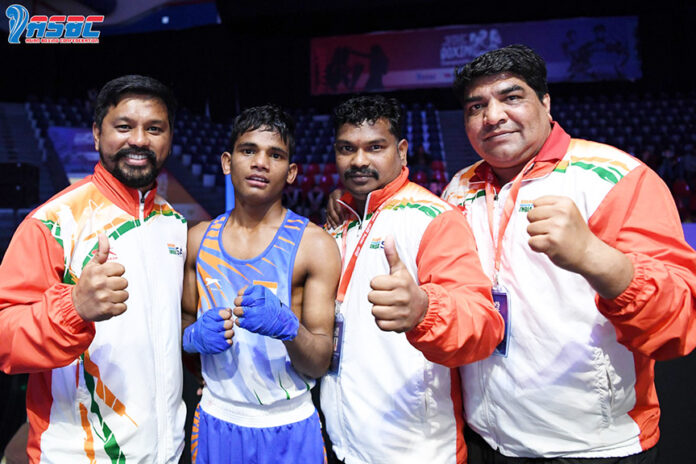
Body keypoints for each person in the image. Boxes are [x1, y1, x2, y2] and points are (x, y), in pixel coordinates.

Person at [436, 44, 696, 462]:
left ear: (546, 102)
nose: (493, 116)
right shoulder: (459, 188)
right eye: (476, 106)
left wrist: (596, 257)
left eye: (511, 97)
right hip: (489, 436)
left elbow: (679, 322)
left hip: (592, 444)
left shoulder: (616, 177)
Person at [0, 75, 187, 462]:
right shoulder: (52, 222)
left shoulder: (174, 224)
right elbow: (4, 338)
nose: (139, 140)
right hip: (77, 453)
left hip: (166, 452)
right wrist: (74, 307)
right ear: (97, 135)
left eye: (154, 128)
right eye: (124, 126)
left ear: (169, 138)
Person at [320, 95, 505, 463]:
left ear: (401, 151)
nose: (359, 160)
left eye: (375, 147)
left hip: (417, 449)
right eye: (347, 149)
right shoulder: (341, 222)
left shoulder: (432, 218)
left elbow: (482, 324)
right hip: (346, 443)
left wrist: (424, 309)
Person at [181, 105, 340, 464]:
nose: (260, 163)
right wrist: (191, 337)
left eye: (276, 154)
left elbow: (318, 362)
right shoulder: (197, 241)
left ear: (292, 172)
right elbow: (182, 327)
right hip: (216, 420)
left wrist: (288, 328)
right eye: (248, 150)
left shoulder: (314, 246)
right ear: (227, 161)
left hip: (290, 424)